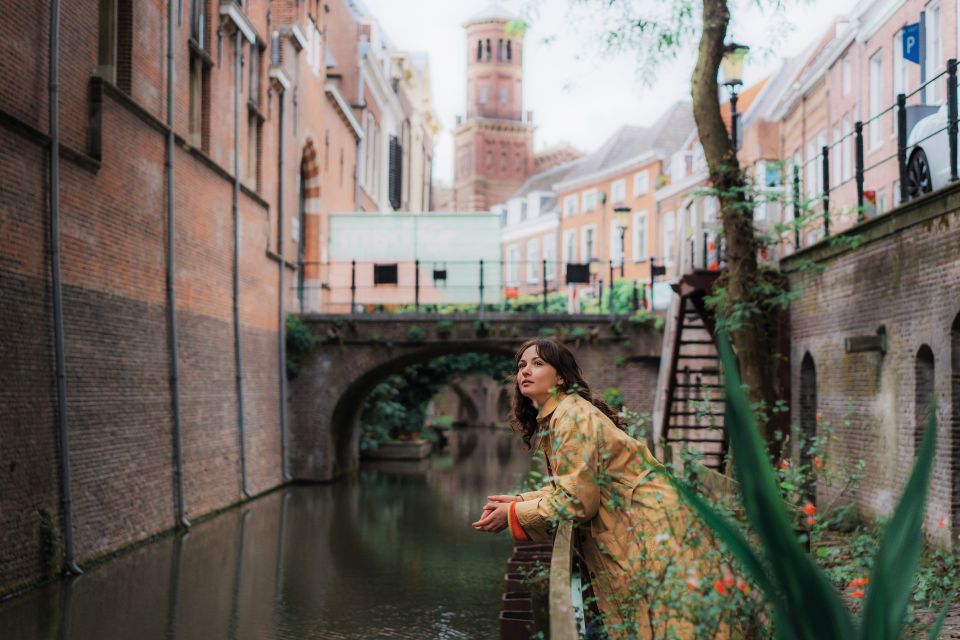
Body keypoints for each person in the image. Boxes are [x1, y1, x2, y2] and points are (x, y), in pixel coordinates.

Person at [472, 338, 719, 639]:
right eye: (522, 365)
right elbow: (578, 484)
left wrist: (514, 515)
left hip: (646, 529)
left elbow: (578, 501)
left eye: (538, 364)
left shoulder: (571, 418)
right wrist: (522, 501)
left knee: (666, 623)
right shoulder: (562, 414)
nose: (526, 371)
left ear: (561, 376)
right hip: (642, 524)